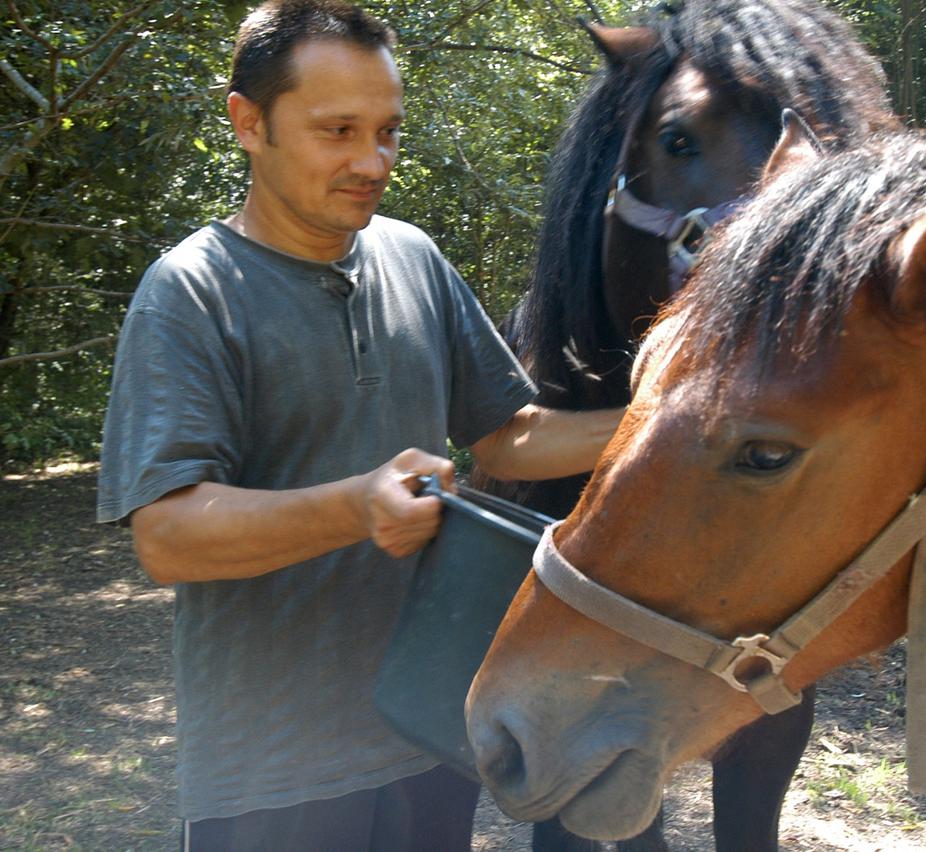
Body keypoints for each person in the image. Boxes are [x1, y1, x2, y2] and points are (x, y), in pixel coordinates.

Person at [95, 1, 624, 848]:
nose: (371, 161)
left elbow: (508, 436)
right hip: (268, 769)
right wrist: (356, 507)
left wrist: (666, 420)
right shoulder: (191, 292)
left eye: (388, 132)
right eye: (337, 129)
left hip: (428, 739)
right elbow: (166, 535)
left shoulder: (412, 257)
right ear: (248, 123)